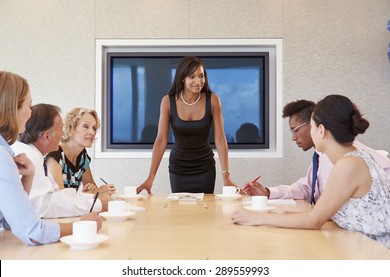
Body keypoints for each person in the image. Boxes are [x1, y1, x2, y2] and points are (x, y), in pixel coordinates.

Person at [233, 94, 390, 248]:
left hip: (374, 253)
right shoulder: (355, 158)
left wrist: (256, 217)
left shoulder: (348, 165)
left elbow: (314, 220)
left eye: (312, 127)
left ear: (321, 130)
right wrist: (280, 213)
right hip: (359, 245)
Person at [0, 71, 102, 245]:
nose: (30, 113)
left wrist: (28, 178)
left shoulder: (9, 153)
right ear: (12, 109)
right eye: (28, 105)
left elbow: (10, 220)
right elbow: (32, 232)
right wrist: (82, 225)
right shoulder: (4, 156)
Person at [242, 99, 390, 203]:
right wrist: (268, 192)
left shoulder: (351, 158)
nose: (293, 138)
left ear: (319, 127)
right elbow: (306, 188)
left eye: (295, 130)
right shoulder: (320, 156)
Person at [137, 56, 235, 194]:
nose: (198, 81)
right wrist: (150, 178)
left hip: (204, 168)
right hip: (179, 168)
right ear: (182, 78)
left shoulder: (213, 100)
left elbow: (220, 138)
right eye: (192, 77)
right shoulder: (168, 101)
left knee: (205, 211)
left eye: (201, 76)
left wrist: (226, 177)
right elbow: (161, 140)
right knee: (180, 212)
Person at [12, 104, 110, 218]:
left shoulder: (35, 156)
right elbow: (48, 205)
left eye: (94, 128)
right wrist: (95, 204)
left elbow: (57, 195)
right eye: (60, 130)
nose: (62, 134)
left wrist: (91, 199)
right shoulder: (30, 159)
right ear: (47, 136)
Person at [46, 107, 115, 195]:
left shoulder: (82, 157)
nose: (92, 132)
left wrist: (92, 190)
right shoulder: (55, 157)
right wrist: (91, 194)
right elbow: (61, 201)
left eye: (94, 128)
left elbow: (92, 190)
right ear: (71, 128)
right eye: (86, 126)